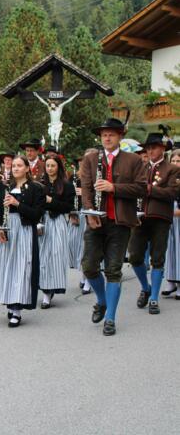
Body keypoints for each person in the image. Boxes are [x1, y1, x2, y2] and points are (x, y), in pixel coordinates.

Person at [80, 118, 146, 336]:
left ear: (120, 136)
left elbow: (141, 188)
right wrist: (89, 212)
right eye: (104, 135)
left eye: (111, 134)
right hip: (96, 220)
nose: (107, 138)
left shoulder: (133, 160)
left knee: (113, 270)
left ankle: (110, 318)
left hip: (120, 222)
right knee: (89, 267)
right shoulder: (90, 159)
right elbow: (86, 189)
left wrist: (114, 187)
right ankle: (102, 300)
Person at [0, 155, 45, 327]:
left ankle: (17, 309)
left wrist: (17, 204)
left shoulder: (36, 188)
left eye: (20, 165)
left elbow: (36, 214)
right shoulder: (3, 186)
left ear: (27, 168)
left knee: (21, 269)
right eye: (13, 165)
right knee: (5, 267)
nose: (15, 168)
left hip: (24, 231)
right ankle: (10, 300)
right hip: (6, 230)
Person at [128, 134, 180, 315]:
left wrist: (150, 189)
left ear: (163, 149)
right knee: (134, 256)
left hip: (160, 218)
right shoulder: (140, 168)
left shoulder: (172, 169)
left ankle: (154, 298)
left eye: (154, 147)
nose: (150, 151)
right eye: (148, 148)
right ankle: (146, 287)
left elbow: (172, 193)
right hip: (140, 218)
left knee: (157, 259)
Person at [38, 156, 75, 308]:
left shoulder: (67, 185)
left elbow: (68, 207)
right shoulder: (40, 184)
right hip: (42, 223)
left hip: (58, 222)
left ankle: (51, 287)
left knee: (55, 256)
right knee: (42, 257)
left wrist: (50, 201)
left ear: (58, 167)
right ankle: (46, 292)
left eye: (53, 165)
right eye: (47, 165)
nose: (50, 168)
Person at [68, 154, 90, 295]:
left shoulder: (96, 177)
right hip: (77, 214)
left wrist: (84, 192)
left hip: (89, 214)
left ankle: (88, 279)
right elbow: (67, 196)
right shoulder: (74, 178)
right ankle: (83, 275)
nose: (82, 164)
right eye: (81, 162)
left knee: (86, 248)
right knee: (75, 246)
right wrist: (71, 213)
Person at [161, 149, 180, 299]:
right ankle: (171, 281)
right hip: (169, 217)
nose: (175, 164)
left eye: (178, 161)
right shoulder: (167, 177)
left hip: (178, 215)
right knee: (170, 250)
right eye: (173, 161)